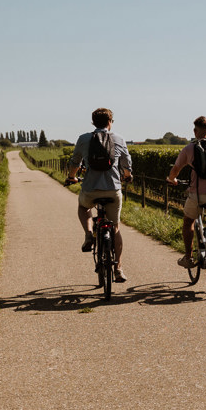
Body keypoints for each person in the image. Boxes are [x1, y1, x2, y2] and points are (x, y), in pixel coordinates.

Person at [67, 107, 133, 283]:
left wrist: (72, 177)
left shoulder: (83, 139)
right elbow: (127, 163)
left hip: (90, 189)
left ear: (93, 122)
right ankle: (118, 268)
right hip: (113, 190)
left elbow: (75, 161)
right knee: (116, 227)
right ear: (110, 122)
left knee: (83, 207)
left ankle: (89, 234)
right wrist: (127, 176)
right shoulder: (118, 138)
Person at [166, 116, 206, 269]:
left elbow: (176, 170)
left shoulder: (189, 149)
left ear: (195, 131)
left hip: (197, 195)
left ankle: (188, 257)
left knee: (188, 221)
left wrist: (171, 179)